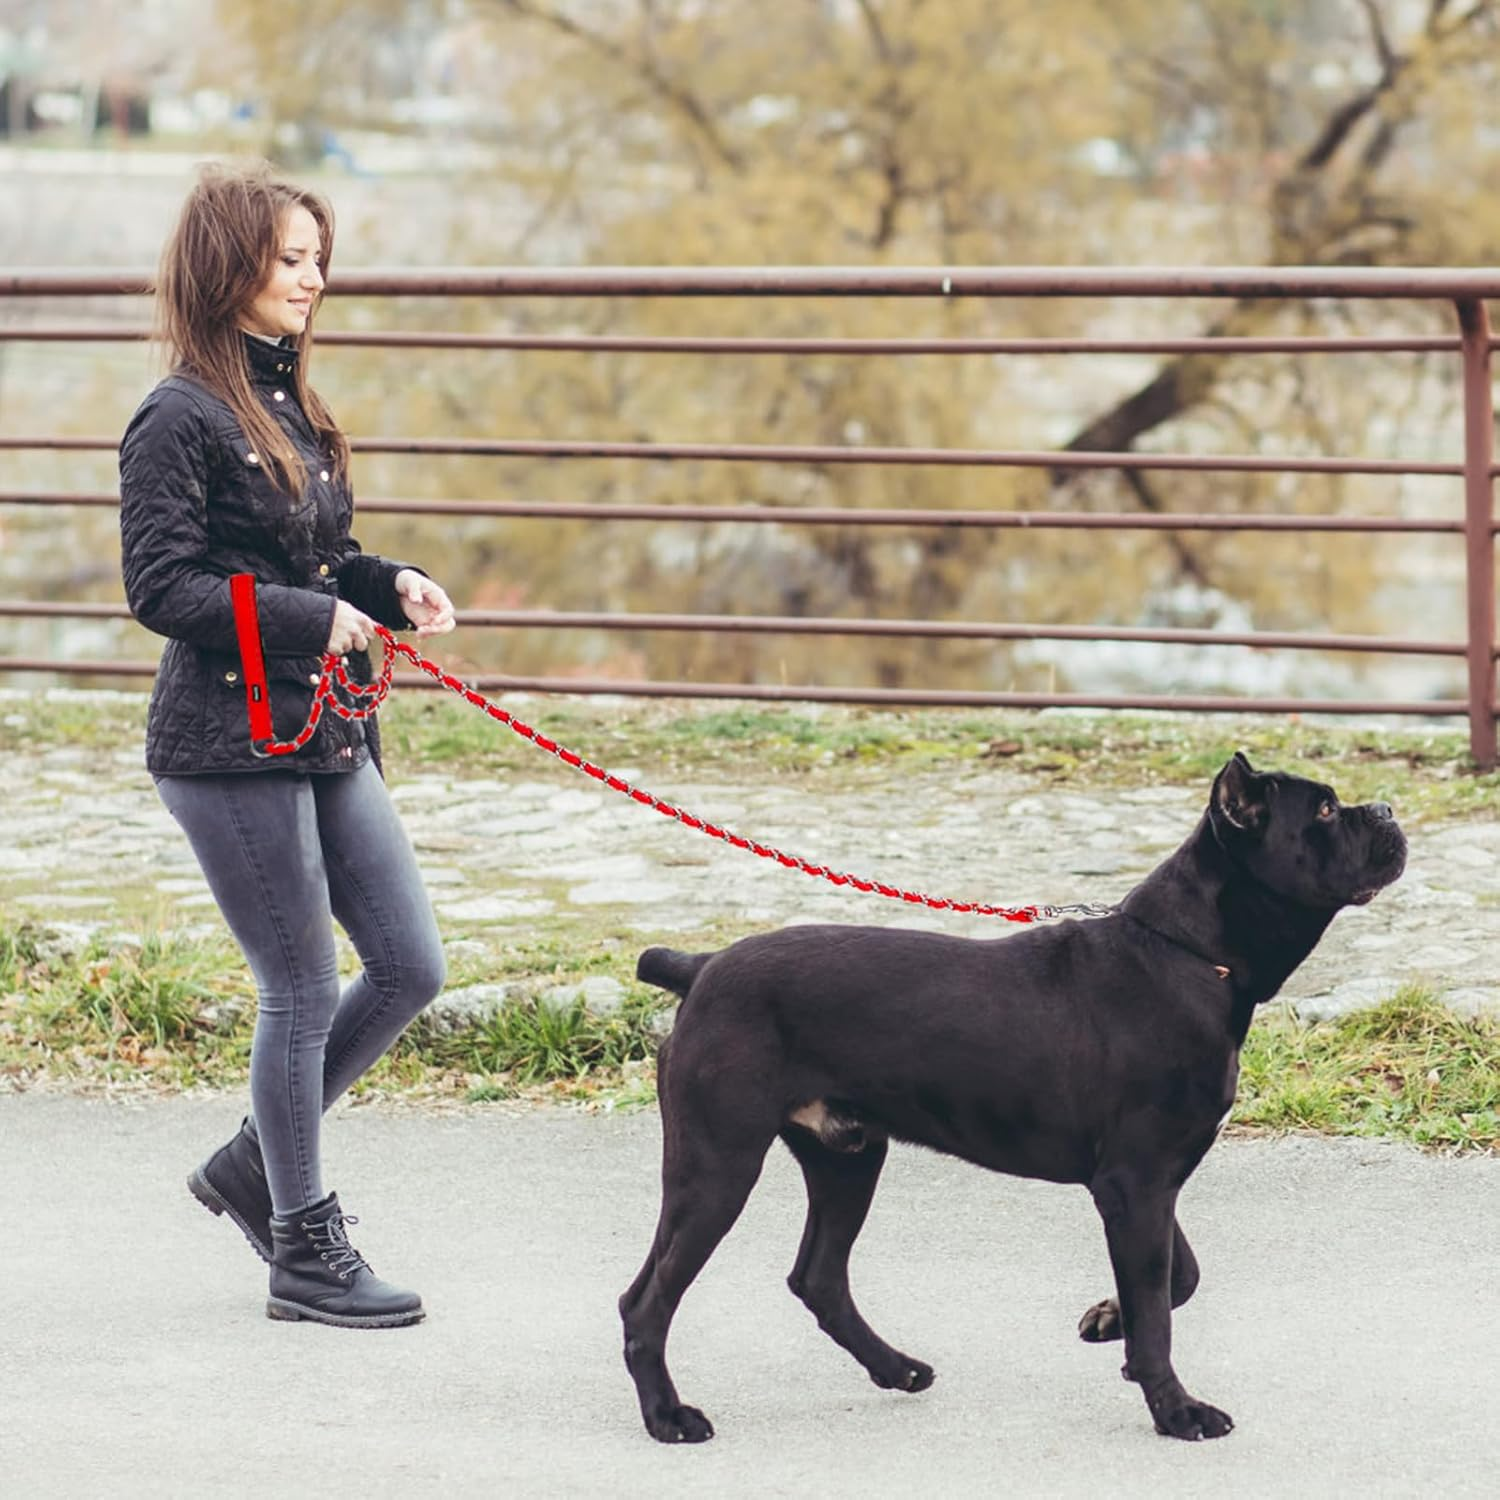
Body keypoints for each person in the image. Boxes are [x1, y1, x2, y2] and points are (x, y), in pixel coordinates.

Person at [119, 160, 457, 1330]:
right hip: (223, 739)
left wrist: (388, 580)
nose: (314, 277)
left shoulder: (295, 407)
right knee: (304, 987)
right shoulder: (178, 416)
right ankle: (304, 1247)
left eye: (320, 257)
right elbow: (163, 587)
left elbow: (314, 559)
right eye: (291, 257)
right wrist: (320, 616)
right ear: (229, 268)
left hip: (320, 726)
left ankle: (256, 1163)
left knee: (411, 964)